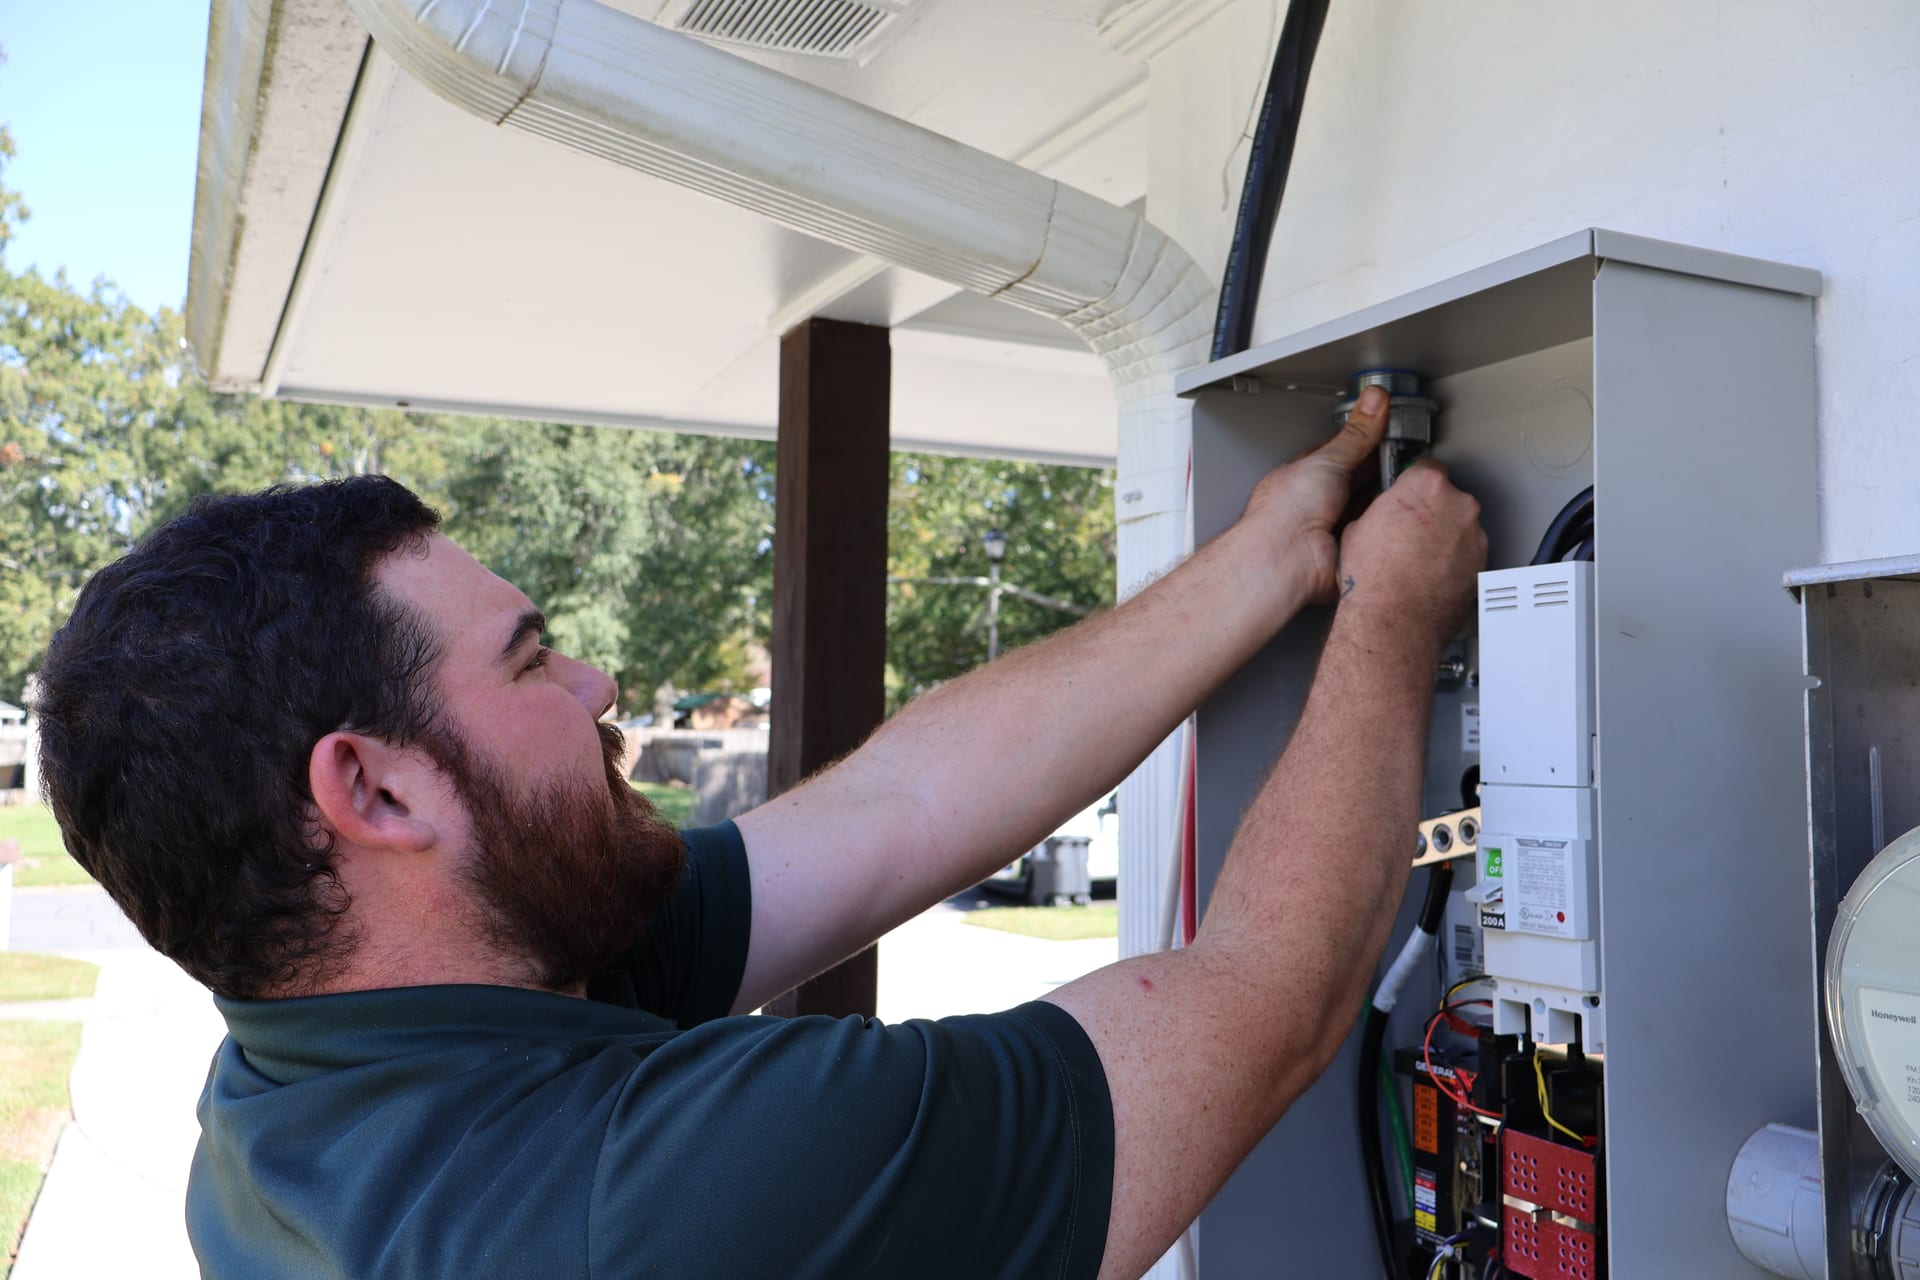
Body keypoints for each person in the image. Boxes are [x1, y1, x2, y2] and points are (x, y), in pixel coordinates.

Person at [32, 384, 1484, 1279]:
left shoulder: (305, 1084)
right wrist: (1395, 613)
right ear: (380, 793)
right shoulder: (647, 1202)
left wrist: (1264, 564)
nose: (599, 686)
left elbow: (892, 809)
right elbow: (1265, 994)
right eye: (533, 660)